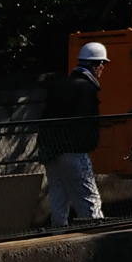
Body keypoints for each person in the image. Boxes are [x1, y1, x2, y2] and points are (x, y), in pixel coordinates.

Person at [42, 42, 107, 227]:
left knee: (58, 197)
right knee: (89, 198)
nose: (102, 70)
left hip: (52, 150)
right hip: (74, 150)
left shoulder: (62, 84)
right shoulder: (87, 88)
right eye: (102, 65)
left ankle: (58, 236)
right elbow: (84, 121)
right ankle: (96, 237)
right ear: (97, 65)